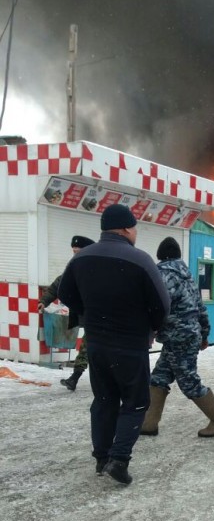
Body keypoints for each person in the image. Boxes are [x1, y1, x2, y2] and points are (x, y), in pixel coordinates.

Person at [58, 204, 170, 486]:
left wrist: (90, 313)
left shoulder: (82, 258)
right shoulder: (140, 260)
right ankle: (119, 460)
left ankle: (101, 458)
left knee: (104, 399)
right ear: (126, 228)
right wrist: (150, 325)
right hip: (130, 344)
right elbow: (162, 304)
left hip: (97, 343)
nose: (136, 232)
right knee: (136, 401)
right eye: (135, 227)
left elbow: (65, 293)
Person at [140, 236, 214, 438]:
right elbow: (200, 308)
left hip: (178, 337)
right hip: (184, 336)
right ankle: (149, 423)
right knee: (159, 378)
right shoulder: (187, 275)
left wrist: (150, 330)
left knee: (188, 381)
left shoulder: (163, 275)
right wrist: (204, 334)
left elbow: (157, 307)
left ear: (160, 255)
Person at [38, 235, 94, 391]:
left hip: (104, 315)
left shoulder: (98, 266)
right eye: (74, 252)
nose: (75, 255)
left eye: (78, 252)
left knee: (96, 347)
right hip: (90, 316)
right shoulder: (75, 267)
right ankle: (75, 377)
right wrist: (44, 300)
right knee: (88, 345)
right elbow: (59, 284)